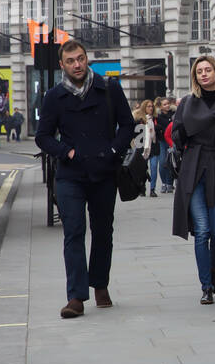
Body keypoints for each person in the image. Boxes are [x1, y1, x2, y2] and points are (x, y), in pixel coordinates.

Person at [34, 39, 135, 319]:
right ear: (62, 65)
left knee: (103, 231)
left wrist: (114, 149)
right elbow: (42, 136)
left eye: (80, 59)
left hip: (104, 172)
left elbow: (127, 124)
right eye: (71, 61)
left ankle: (100, 284)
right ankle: (76, 297)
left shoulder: (109, 88)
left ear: (87, 59)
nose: (77, 65)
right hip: (71, 174)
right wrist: (66, 151)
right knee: (74, 232)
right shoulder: (54, 96)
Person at [170, 56, 215, 305]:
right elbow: (176, 133)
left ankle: (212, 268)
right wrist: (179, 133)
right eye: (199, 71)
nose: (203, 74)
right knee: (202, 230)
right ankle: (206, 286)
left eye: (207, 69)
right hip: (193, 167)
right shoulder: (188, 103)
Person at [132, 100, 156, 195]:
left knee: (154, 167)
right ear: (144, 107)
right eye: (148, 106)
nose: (151, 108)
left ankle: (153, 189)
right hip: (142, 147)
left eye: (152, 106)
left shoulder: (155, 119)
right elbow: (134, 133)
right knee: (142, 168)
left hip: (153, 146)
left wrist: (157, 128)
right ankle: (142, 187)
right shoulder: (138, 119)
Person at [153, 97, 175, 193]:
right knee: (162, 163)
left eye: (168, 103)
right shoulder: (157, 116)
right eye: (164, 104)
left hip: (172, 141)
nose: (167, 106)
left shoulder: (174, 114)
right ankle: (164, 183)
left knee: (171, 162)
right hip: (162, 141)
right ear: (160, 107)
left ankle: (170, 184)